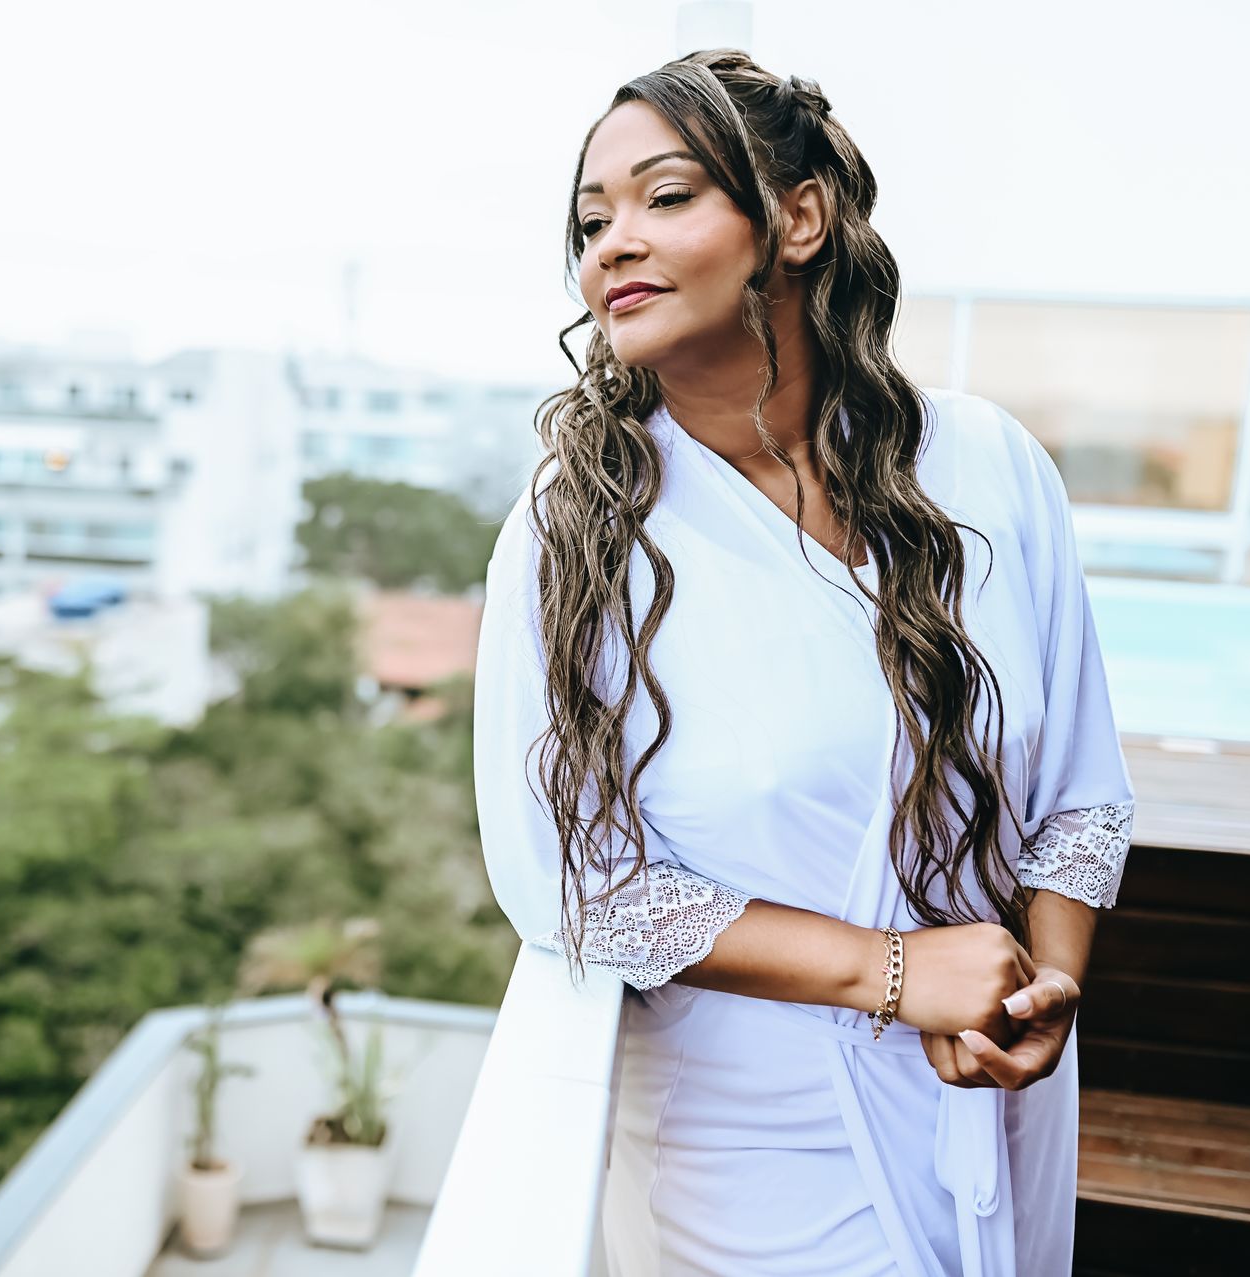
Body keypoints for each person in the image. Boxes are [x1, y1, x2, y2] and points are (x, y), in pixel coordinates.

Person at [473, 50, 1136, 1277]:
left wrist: (1044, 984)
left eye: (664, 197)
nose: (613, 242)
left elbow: (1082, 793)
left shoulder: (988, 466)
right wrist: (893, 970)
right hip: (750, 1140)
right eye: (590, 218)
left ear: (799, 216)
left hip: (995, 1091)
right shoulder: (577, 534)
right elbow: (573, 877)